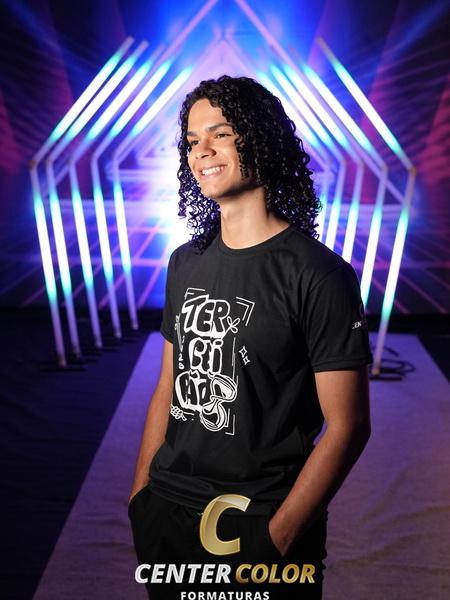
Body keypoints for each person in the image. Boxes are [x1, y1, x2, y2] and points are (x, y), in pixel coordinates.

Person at [128, 75, 372, 599]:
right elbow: (168, 386)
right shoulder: (185, 263)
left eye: (220, 134)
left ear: (259, 139)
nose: (202, 151)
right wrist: (140, 496)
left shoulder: (319, 274)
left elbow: (348, 427)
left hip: (259, 521)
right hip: (167, 512)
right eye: (192, 141)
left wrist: (275, 540)